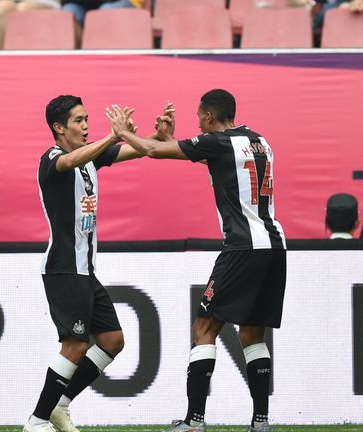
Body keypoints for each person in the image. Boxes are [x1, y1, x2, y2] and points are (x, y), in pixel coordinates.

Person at [110, 89, 286, 432]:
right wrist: (173, 139)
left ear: (207, 117)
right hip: (274, 247)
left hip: (241, 248)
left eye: (198, 116)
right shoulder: (260, 141)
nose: (197, 122)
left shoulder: (217, 142)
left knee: (204, 328)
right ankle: (261, 422)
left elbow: (151, 151)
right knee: (253, 334)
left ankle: (194, 421)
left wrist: (121, 132)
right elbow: (214, 161)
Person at [25, 95, 155, 432]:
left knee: (112, 341)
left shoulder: (90, 159)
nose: (86, 126)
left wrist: (160, 135)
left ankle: (61, 405)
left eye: (87, 119)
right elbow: (69, 162)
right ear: (59, 127)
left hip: (85, 270)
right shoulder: (51, 159)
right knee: (76, 344)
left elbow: (139, 149)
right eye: (79, 121)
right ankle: (37, 421)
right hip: (63, 268)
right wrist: (113, 136)